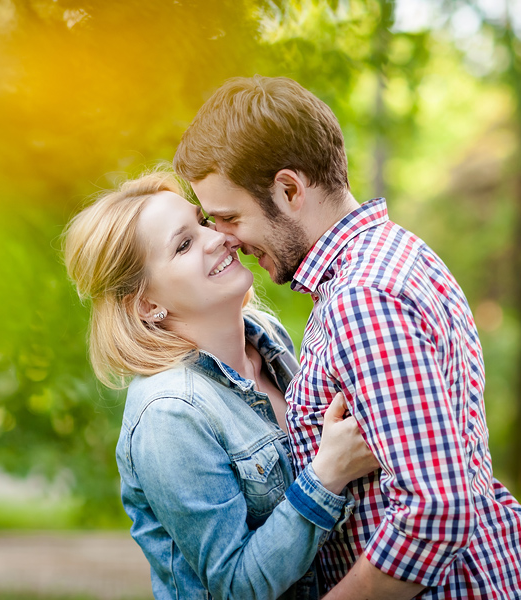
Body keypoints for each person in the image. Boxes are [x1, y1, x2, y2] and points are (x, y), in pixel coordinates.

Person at [173, 75, 521, 599]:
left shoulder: (362, 296)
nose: (226, 239)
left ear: (288, 189)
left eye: (231, 216)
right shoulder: (391, 256)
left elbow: (436, 509)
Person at [63, 171, 379, 600]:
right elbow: (235, 585)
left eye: (203, 222)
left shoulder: (267, 339)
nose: (217, 239)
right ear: (147, 304)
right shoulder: (169, 414)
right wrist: (329, 474)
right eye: (183, 245)